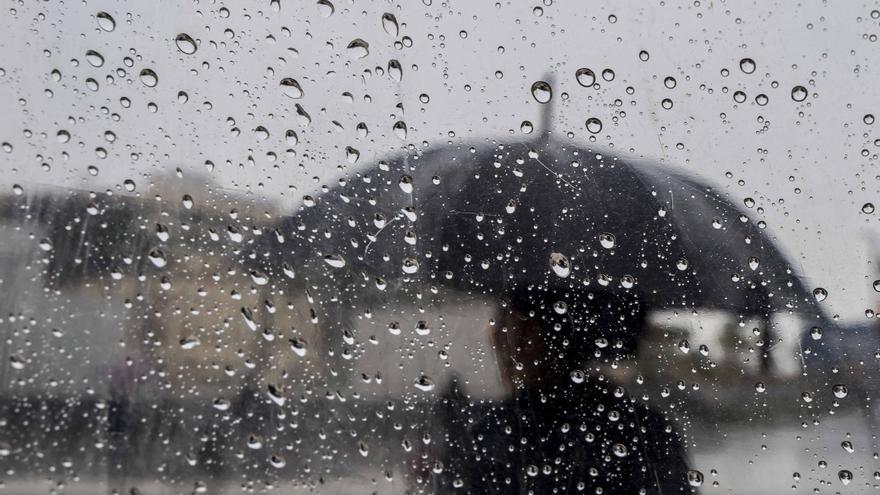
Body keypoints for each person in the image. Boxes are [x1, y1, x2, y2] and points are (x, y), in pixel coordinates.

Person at [430, 287, 697, 494]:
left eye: (505, 322)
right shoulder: (649, 431)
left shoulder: (489, 437)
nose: (493, 335)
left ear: (533, 335)